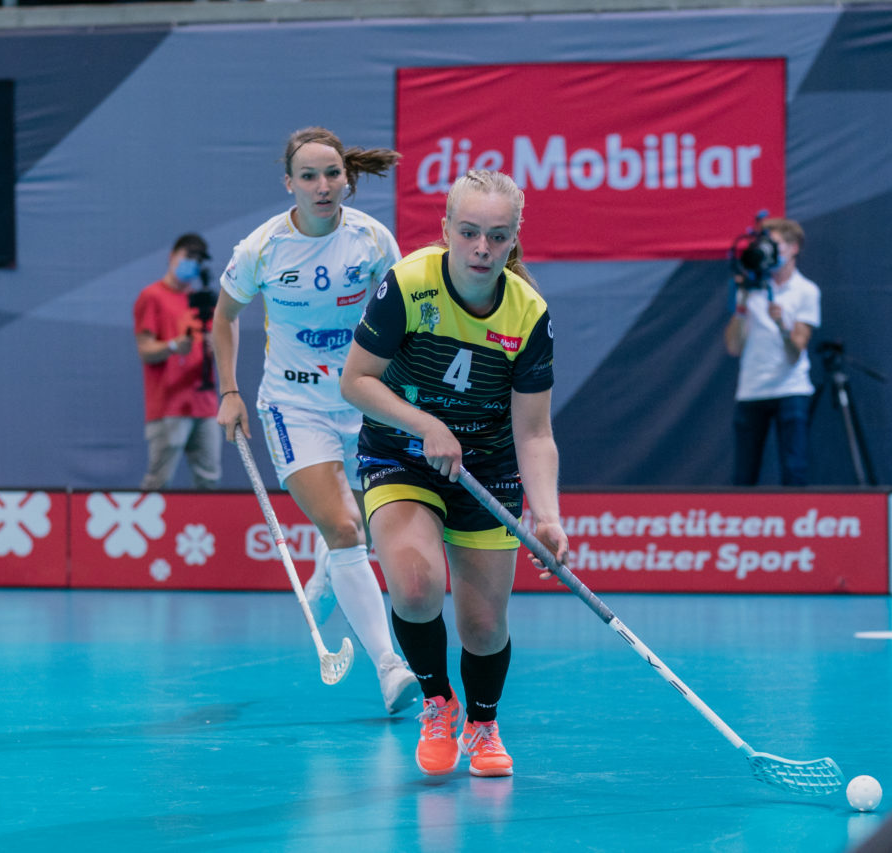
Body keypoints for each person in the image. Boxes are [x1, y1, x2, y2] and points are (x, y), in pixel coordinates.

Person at [340, 170, 568, 778]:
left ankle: (484, 724)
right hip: (401, 455)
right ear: (446, 230)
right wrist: (424, 424)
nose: (481, 249)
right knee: (415, 586)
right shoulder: (409, 285)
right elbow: (355, 381)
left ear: (514, 241)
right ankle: (438, 703)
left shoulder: (528, 315)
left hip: (486, 469)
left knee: (483, 625)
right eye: (468, 233)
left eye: (497, 236)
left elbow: (535, 432)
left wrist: (547, 516)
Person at [213, 127, 421, 715]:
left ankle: (330, 572)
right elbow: (223, 319)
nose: (323, 186)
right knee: (346, 526)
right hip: (292, 404)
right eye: (309, 176)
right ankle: (389, 667)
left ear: (347, 179)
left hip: (365, 398)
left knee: (362, 520)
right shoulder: (262, 248)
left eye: (332, 174)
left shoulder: (373, 239)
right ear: (290, 184)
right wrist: (229, 391)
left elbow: (401, 315)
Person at [724, 217, 821, 486]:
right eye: (764, 245)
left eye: (774, 244)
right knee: (744, 477)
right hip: (751, 391)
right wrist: (741, 307)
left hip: (791, 391)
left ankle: (797, 526)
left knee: (794, 472)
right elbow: (733, 347)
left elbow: (796, 352)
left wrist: (781, 325)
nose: (767, 250)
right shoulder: (750, 288)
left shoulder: (806, 292)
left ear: (794, 248)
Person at [134, 232, 221, 490]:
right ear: (172, 256)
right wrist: (173, 346)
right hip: (168, 404)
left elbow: (221, 346)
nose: (191, 264)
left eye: (197, 259)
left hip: (204, 405)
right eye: (187, 256)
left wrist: (216, 345)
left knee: (210, 480)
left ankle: (208, 528)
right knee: (159, 481)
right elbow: (145, 349)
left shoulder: (204, 300)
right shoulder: (152, 296)